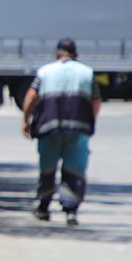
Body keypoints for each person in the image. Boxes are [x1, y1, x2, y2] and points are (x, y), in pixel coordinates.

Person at [21, 38, 101, 226]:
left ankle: (43, 208)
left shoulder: (44, 72)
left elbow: (31, 97)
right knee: (74, 169)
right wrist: (91, 122)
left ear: (57, 53)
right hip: (78, 129)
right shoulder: (87, 73)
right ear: (75, 54)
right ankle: (71, 211)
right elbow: (96, 101)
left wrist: (26, 120)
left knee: (47, 169)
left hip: (49, 128)